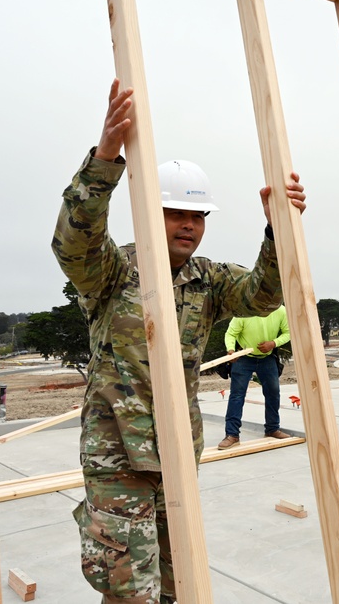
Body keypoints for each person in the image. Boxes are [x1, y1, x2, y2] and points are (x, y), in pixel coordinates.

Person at [54, 79, 306, 604]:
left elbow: (262, 297)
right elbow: (73, 242)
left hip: (177, 454)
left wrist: (278, 228)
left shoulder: (207, 279)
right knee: (130, 590)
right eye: (176, 214)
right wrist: (104, 158)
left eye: (197, 217)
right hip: (118, 456)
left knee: (176, 582)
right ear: (150, 212)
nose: (189, 226)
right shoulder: (113, 272)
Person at [219, 305, 292, 449]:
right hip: (244, 357)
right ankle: (232, 434)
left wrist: (273, 343)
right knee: (237, 396)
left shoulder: (281, 310)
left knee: (273, 393)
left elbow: (289, 333)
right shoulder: (244, 311)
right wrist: (231, 350)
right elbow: (230, 334)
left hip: (267, 358)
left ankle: (272, 429)